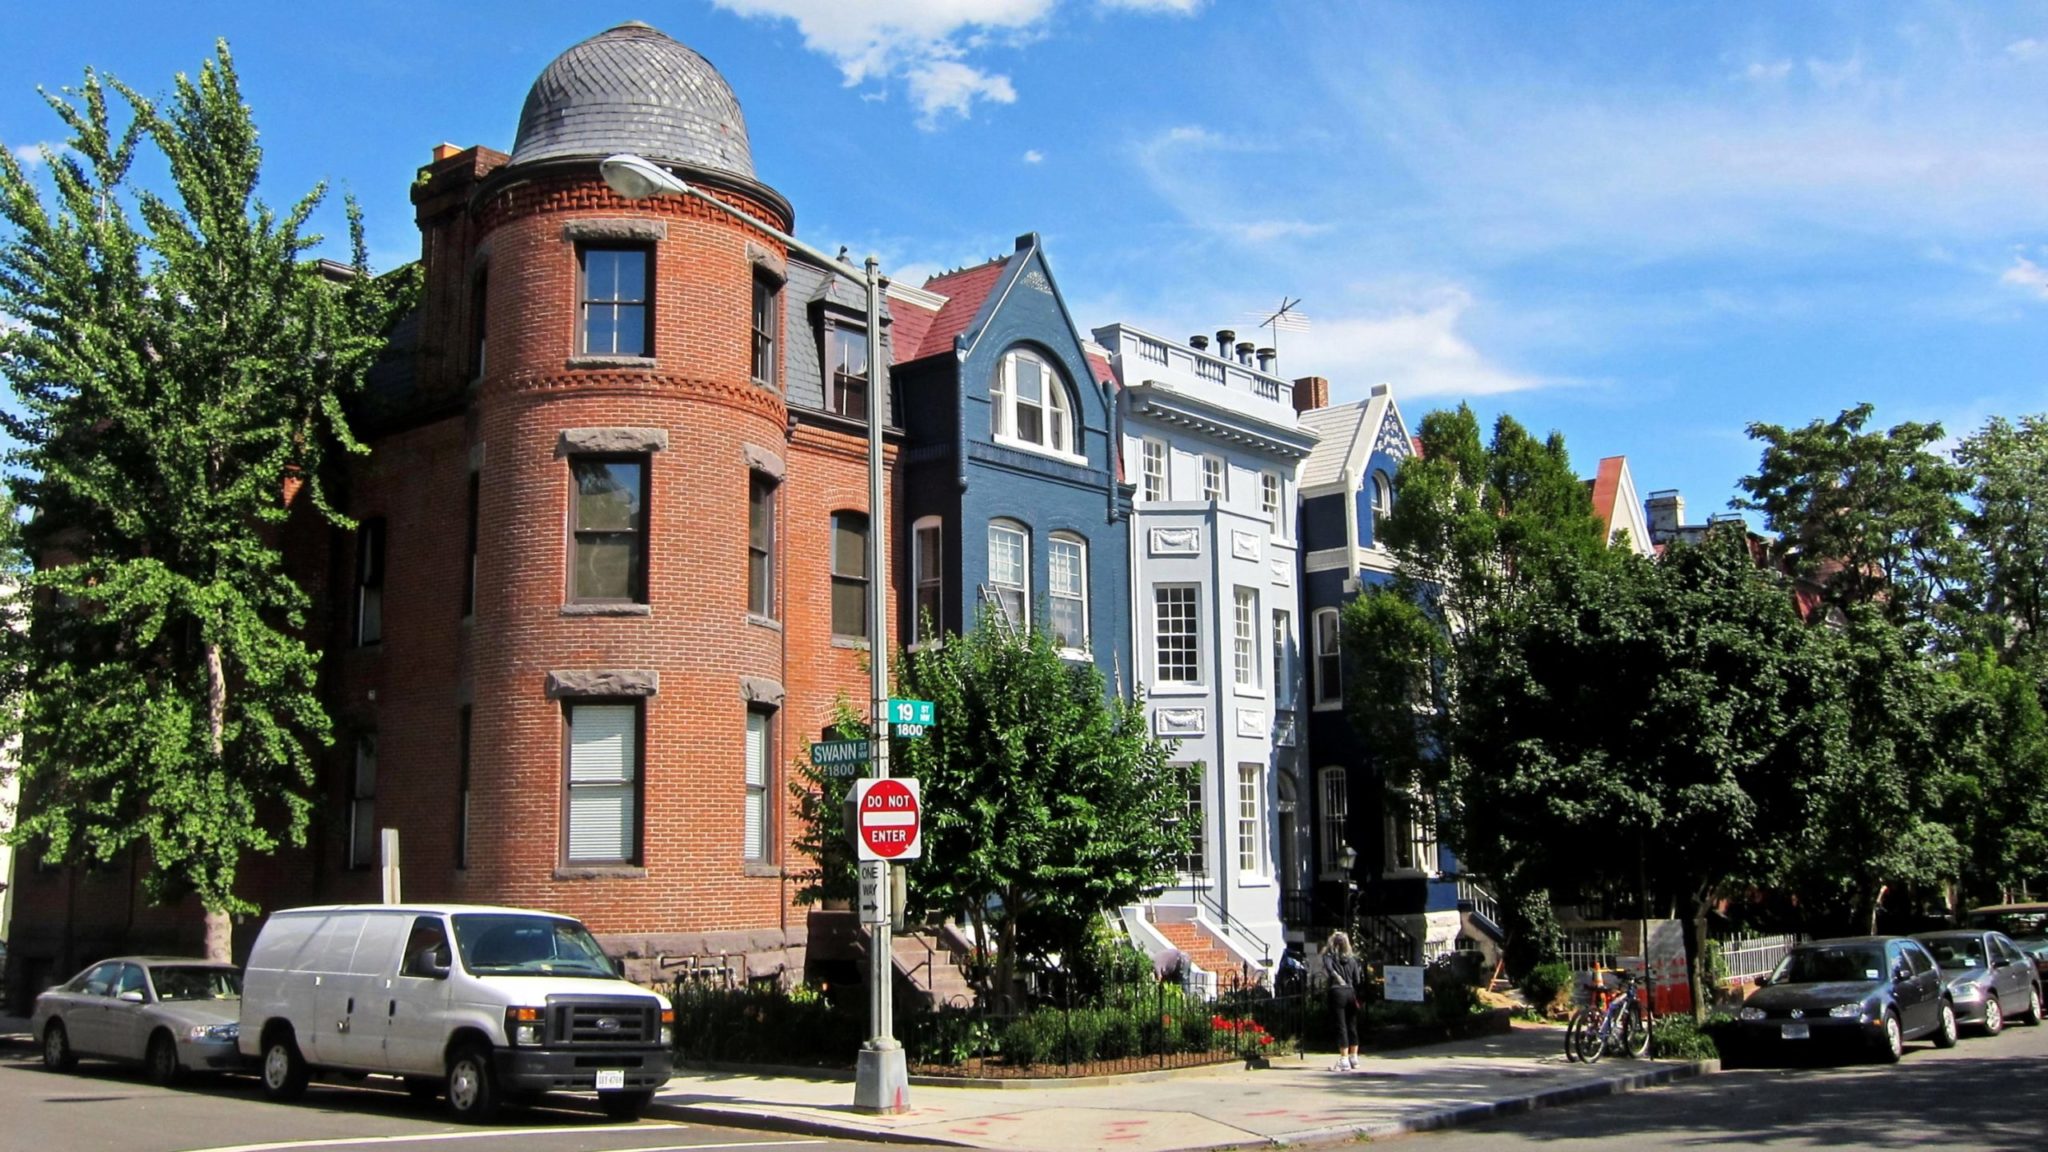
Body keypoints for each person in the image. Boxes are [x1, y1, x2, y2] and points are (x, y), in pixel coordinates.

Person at [1323, 931, 1363, 1072]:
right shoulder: (1352, 959)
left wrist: (1338, 978)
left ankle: (1344, 1059)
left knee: (1341, 1026)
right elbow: (1357, 979)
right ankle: (1354, 1057)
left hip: (1337, 992)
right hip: (1350, 992)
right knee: (1352, 1025)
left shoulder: (1329, 957)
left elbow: (1329, 970)